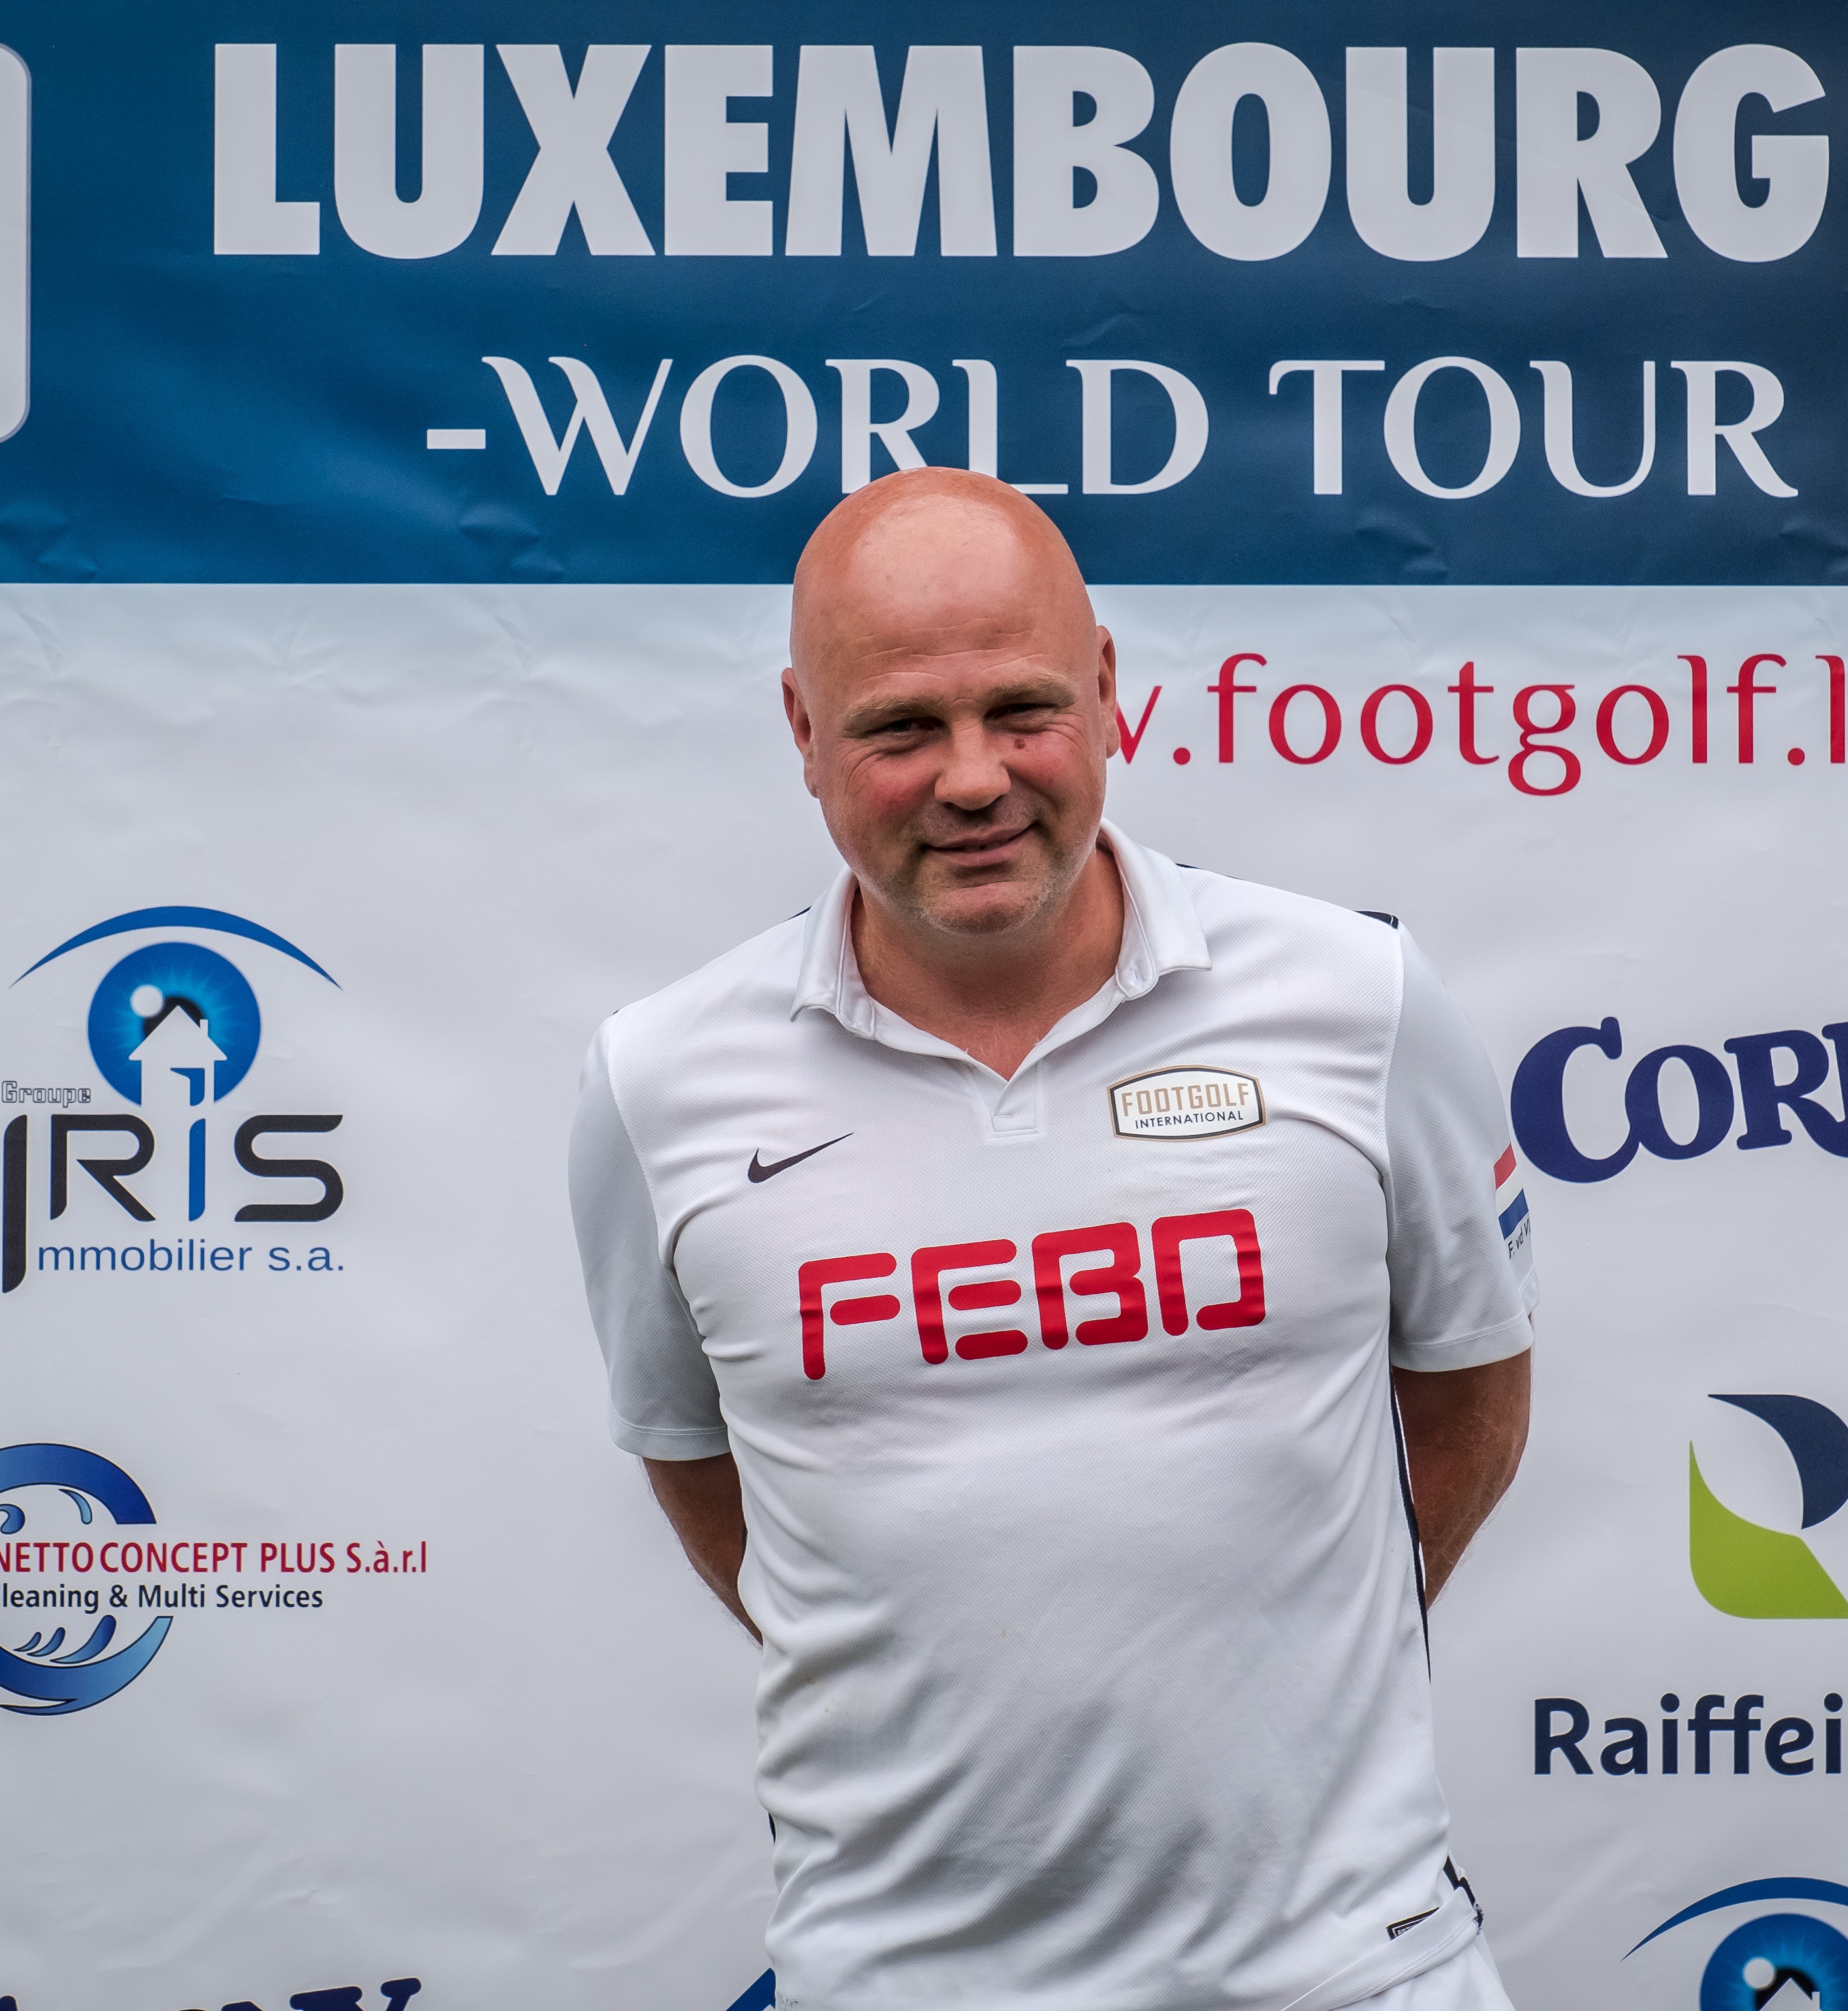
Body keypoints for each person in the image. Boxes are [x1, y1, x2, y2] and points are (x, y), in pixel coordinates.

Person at [569, 468, 1537, 2011]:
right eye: (899, 727)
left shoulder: (1359, 998)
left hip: (1352, 1975)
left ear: (1104, 690)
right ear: (804, 734)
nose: (973, 779)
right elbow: (701, 1465)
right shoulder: (657, 1081)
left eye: (1021, 709)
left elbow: (1472, 1387)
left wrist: (1288, 1660)